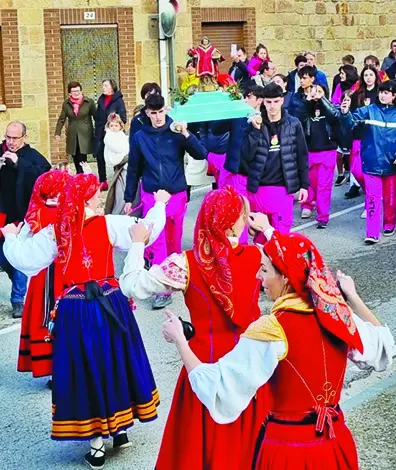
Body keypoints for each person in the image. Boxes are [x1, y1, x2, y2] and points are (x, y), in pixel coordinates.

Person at [161, 219, 394, 470]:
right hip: (335, 444)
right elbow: (382, 345)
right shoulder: (337, 316)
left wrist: (181, 342)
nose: (258, 276)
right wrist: (353, 298)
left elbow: (220, 387)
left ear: (285, 276)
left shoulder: (274, 328)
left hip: (288, 451)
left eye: (264, 270)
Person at [2, 173, 170, 469]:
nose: (98, 199)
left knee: (86, 368)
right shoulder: (108, 224)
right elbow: (147, 230)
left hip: (76, 308)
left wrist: (12, 237)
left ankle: (100, 440)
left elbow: (23, 259)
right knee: (114, 362)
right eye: (94, 195)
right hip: (109, 303)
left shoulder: (56, 231)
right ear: (86, 199)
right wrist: (159, 205)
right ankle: (116, 431)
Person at [119, 187, 269, 470]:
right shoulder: (258, 256)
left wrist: (138, 243)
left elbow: (132, 284)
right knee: (250, 440)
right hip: (249, 362)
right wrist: (268, 229)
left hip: (203, 362)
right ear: (235, 221)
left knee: (200, 441)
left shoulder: (186, 263)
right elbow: (300, 265)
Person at [125, 93, 208, 309]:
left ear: (166, 110)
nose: (158, 117)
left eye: (161, 112)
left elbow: (201, 154)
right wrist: (127, 198)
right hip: (151, 195)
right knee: (157, 241)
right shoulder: (140, 137)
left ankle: (175, 277)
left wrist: (186, 133)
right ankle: (161, 289)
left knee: (174, 240)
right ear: (147, 113)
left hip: (177, 194)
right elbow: (133, 169)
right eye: (154, 113)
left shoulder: (176, 132)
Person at [7, 170, 71, 380]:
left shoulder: (35, 214)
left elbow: (25, 247)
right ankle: (70, 367)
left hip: (41, 275)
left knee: (44, 317)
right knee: (69, 317)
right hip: (66, 273)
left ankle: (51, 369)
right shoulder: (70, 212)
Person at [336, 80, 396, 244]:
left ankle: (389, 223)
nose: (383, 95)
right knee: (373, 198)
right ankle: (372, 232)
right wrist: (345, 113)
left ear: (394, 96)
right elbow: (350, 124)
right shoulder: (368, 111)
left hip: (391, 163)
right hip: (371, 162)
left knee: (389, 199)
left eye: (387, 92)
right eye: (381, 92)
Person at [241, 83, 309, 235]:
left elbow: (302, 155)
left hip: (284, 187)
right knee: (260, 237)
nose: (272, 106)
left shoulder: (294, 124)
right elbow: (246, 156)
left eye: (276, 101)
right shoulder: (252, 123)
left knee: (281, 234)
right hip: (259, 187)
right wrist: (255, 132)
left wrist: (304, 185)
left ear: (282, 101)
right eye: (269, 102)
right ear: (263, 102)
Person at [0, 122, 51, 318]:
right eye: (8, 137)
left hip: (22, 215)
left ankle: (18, 299)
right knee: (4, 258)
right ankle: (23, 286)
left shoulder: (32, 156)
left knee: (19, 255)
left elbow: (44, 175)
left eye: (15, 138)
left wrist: (19, 164)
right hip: (3, 211)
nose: (11, 142)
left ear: (24, 138)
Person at [289, 67, 339, 229]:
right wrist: (307, 101)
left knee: (324, 186)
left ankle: (323, 216)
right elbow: (300, 119)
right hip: (310, 150)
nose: (315, 93)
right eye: (314, 91)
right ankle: (308, 204)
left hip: (327, 150)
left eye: (318, 91)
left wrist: (322, 100)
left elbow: (334, 117)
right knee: (310, 182)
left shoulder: (329, 106)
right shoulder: (304, 104)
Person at [345, 65, 382, 202]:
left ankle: (371, 199)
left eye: (371, 75)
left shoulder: (381, 93)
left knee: (372, 170)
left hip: (375, 135)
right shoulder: (357, 94)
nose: (368, 78)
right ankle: (370, 192)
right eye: (366, 75)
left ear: (375, 76)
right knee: (357, 170)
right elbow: (353, 116)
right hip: (359, 136)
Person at [54, 81, 96, 175]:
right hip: (72, 133)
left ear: (81, 91)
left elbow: (96, 117)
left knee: (82, 155)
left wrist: (100, 130)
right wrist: (57, 132)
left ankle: (83, 175)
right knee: (74, 155)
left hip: (85, 133)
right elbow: (62, 119)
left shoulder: (89, 102)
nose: (76, 93)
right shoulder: (66, 104)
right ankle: (79, 174)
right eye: (74, 91)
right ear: (70, 93)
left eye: (78, 91)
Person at [94, 79, 127, 189]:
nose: (103, 87)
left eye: (105, 85)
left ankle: (117, 179)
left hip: (114, 133)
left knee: (115, 155)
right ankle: (103, 180)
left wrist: (113, 125)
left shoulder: (118, 100)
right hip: (101, 132)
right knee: (100, 155)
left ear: (112, 87)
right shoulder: (101, 99)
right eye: (103, 85)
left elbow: (123, 117)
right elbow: (98, 116)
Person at [104, 113, 130, 216]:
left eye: (116, 125)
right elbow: (118, 148)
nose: (114, 128)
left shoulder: (121, 135)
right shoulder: (109, 136)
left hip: (123, 160)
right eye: (111, 126)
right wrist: (125, 150)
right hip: (117, 160)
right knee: (118, 188)